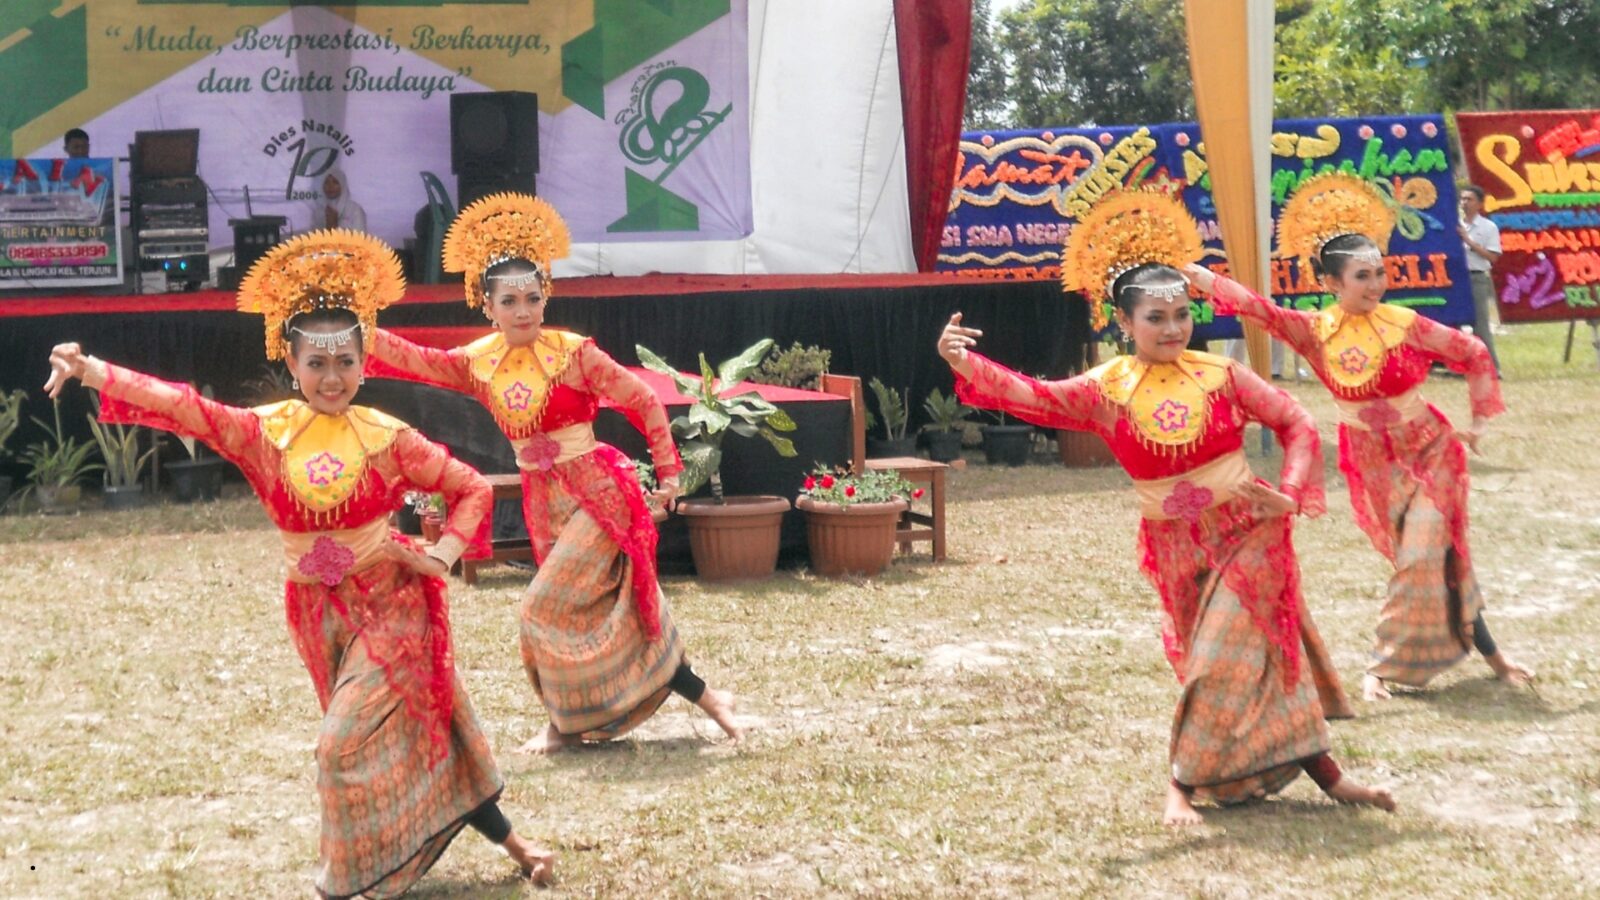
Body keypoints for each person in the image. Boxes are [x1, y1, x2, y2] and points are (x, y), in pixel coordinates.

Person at [43, 229, 555, 896]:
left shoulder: (387, 436)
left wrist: (442, 556)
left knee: (339, 746)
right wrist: (92, 370)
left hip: (393, 605)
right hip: (315, 612)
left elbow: (472, 487)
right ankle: (517, 846)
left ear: (366, 362)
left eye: (345, 361)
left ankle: (344, 883)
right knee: (413, 728)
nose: (333, 377)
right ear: (290, 361)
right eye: (317, 363)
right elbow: (183, 409)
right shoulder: (264, 434)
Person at [941, 191, 1394, 826]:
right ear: (1124, 323)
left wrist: (1286, 494)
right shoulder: (1106, 389)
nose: (1174, 328)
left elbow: (1295, 422)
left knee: (1225, 656)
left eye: (1181, 314)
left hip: (1249, 527)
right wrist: (963, 362)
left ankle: (1181, 783)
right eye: (1157, 317)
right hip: (1175, 543)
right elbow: (1032, 397)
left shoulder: (1222, 374)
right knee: (1233, 658)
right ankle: (1325, 777)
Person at [365, 193, 742, 754]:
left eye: (533, 298)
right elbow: (416, 358)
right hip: (545, 502)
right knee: (586, 616)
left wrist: (668, 472)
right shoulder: (477, 361)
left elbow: (643, 401)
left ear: (546, 298)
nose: (524, 310)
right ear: (487, 306)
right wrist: (356, 329)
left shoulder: (574, 353)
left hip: (596, 494)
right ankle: (686, 703)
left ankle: (569, 724)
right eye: (510, 301)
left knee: (540, 607)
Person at [1184, 173, 1534, 702]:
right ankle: (1492, 656)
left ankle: (1383, 665)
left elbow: (1474, 353)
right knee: (1430, 561)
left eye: (1379, 273)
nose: (1375, 285)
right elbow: (1260, 309)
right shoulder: (1313, 331)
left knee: (1424, 555)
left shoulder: (1404, 321)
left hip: (1430, 448)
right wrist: (1201, 278)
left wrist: (1479, 421)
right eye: (1362, 277)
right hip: (1371, 459)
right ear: (1332, 283)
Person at [1458, 184, 1504, 374]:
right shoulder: (1456, 225)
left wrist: (1469, 241)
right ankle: (1460, 366)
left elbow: (1493, 257)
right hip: (1456, 279)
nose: (1465, 203)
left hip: (1476, 277)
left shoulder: (1488, 227)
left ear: (1479, 204)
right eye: (1462, 199)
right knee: (1455, 324)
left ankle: (1492, 368)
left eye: (1469, 199)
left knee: (1480, 325)